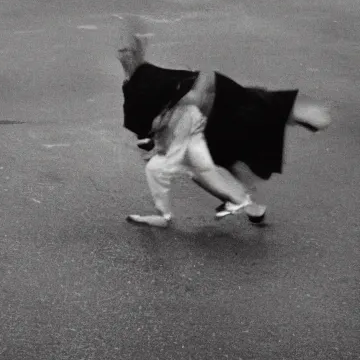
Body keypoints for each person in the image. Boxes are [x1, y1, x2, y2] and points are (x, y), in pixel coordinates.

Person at [118, 27, 331, 227]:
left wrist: (192, 98)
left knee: (243, 123)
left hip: (213, 102)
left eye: (130, 50)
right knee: (221, 158)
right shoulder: (137, 97)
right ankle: (252, 206)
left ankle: (250, 201)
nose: (126, 54)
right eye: (124, 51)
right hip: (207, 115)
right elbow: (146, 138)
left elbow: (206, 79)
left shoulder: (151, 81)